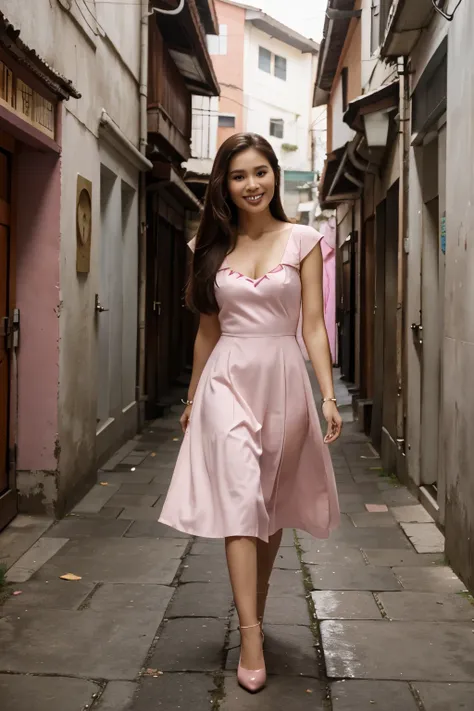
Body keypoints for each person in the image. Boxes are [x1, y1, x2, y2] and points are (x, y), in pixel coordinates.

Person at [159, 133, 341, 693]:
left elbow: (312, 325)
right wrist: (192, 399)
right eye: (239, 176)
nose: (252, 184)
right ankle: (251, 634)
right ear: (224, 185)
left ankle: (254, 604)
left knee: (273, 503)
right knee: (241, 500)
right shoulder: (208, 249)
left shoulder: (303, 239)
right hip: (227, 382)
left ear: (274, 177)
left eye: (260, 172)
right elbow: (206, 332)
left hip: (284, 378)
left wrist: (327, 394)